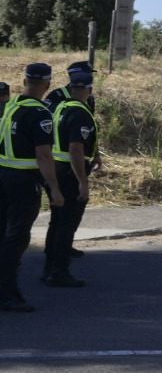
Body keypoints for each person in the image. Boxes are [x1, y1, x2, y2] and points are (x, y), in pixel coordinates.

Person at [0, 64, 66, 313]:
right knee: (16, 237)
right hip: (23, 181)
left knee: (3, 234)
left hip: (3, 175)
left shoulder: (12, 105)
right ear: (47, 85)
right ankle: (7, 294)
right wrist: (55, 189)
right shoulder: (40, 113)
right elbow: (44, 155)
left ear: (25, 79)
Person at [42, 66, 96, 287]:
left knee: (57, 221)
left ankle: (49, 267)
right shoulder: (80, 112)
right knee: (66, 224)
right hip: (69, 172)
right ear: (89, 89)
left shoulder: (60, 107)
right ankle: (59, 271)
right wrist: (83, 182)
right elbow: (75, 149)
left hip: (56, 169)